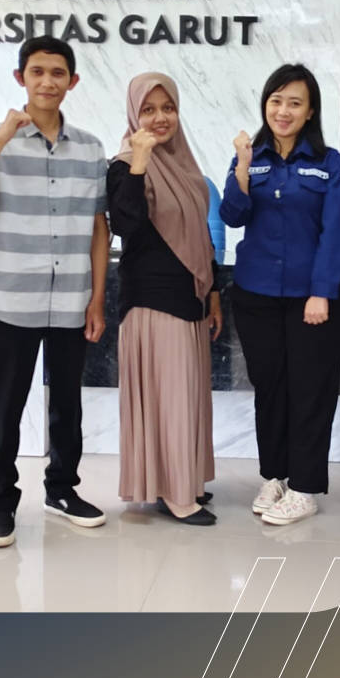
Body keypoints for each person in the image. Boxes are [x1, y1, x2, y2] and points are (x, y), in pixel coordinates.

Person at [0, 37, 110, 546]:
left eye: (58, 73)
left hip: (73, 299)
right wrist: (1, 137)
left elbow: (99, 229)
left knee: (67, 403)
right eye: (37, 71)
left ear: (72, 81)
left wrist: (97, 298)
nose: (47, 82)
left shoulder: (91, 148)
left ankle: (62, 490)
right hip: (12, 299)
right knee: (6, 404)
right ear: (21, 78)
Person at [221, 64, 340, 525]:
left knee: (310, 390)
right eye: (276, 101)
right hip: (256, 294)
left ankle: (305, 486)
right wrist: (241, 166)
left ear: (310, 110)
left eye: (295, 102)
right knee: (270, 389)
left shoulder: (329, 162)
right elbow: (233, 215)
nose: (283, 110)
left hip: (311, 298)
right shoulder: (250, 157)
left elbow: (336, 231)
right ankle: (275, 475)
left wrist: (321, 292)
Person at [107, 72, 223, 525]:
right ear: (133, 114)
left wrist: (214, 292)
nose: (160, 118)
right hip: (152, 301)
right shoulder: (123, 165)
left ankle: (181, 479)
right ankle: (174, 494)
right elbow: (127, 226)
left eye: (168, 108)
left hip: (190, 297)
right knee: (170, 399)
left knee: (185, 397)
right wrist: (139, 161)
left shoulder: (187, 168)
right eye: (149, 109)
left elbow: (202, 238)